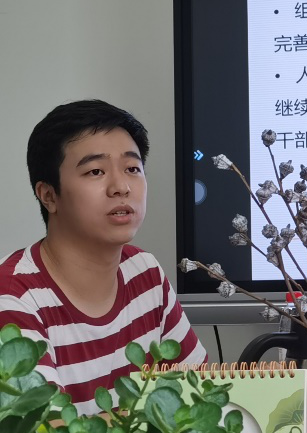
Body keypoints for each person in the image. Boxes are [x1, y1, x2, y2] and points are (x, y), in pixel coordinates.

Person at [0, 100, 206, 415]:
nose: (121, 187)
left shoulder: (144, 272)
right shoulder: (13, 299)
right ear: (49, 195)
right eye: (95, 171)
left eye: (132, 169)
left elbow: (200, 392)